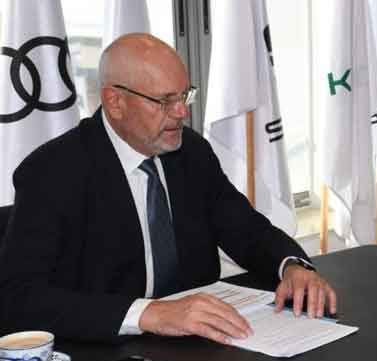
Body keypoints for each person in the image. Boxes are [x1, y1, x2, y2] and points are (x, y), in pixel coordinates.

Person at [0, 34, 336, 344]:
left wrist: (292, 266)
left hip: (198, 348)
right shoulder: (52, 172)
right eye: (164, 101)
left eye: (185, 95)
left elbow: (245, 229)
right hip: (101, 355)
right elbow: (19, 296)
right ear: (115, 102)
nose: (182, 112)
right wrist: (147, 314)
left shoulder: (190, 151)